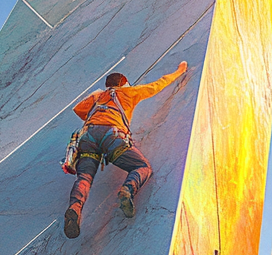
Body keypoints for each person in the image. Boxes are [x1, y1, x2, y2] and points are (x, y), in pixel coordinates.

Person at [64, 61, 187, 238]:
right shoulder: (128, 92)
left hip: (88, 137)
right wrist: (179, 71)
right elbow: (157, 85)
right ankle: (127, 190)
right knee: (142, 167)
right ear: (124, 83)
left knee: (84, 177)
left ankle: (74, 209)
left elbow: (79, 110)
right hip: (112, 136)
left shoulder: (98, 97)